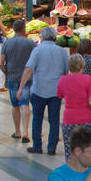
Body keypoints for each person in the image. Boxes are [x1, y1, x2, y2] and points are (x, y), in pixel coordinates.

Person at [20, 26, 68, 155]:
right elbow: (66, 72)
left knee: (37, 118)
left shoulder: (37, 50)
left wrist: (21, 88)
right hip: (56, 91)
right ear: (55, 38)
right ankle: (51, 148)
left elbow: (29, 69)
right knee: (54, 119)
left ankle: (37, 146)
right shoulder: (62, 52)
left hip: (38, 89)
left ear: (41, 37)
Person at [56, 54, 91, 160]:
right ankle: (86, 172)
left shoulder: (63, 80)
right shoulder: (88, 79)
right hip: (87, 118)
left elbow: (60, 95)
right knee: (87, 148)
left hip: (70, 119)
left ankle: (72, 172)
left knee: (70, 148)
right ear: (82, 65)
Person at [1, 18, 35, 141]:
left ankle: (17, 131)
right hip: (26, 78)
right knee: (25, 104)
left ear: (14, 29)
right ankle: (26, 132)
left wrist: (7, 72)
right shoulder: (30, 43)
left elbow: (0, 63)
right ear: (24, 29)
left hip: (12, 78)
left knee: (15, 105)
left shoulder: (7, 43)